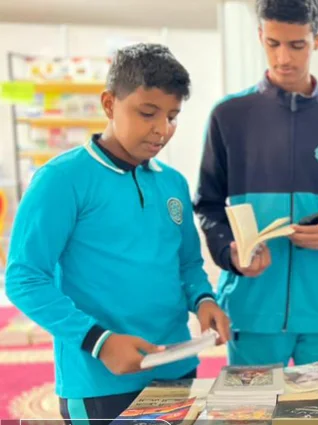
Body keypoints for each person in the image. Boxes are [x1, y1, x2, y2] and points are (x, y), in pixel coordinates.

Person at [4, 43, 230, 424]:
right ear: (109, 104)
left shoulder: (172, 183)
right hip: (99, 379)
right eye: (147, 113)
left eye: (173, 116)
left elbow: (188, 262)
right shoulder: (62, 180)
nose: (162, 129)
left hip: (175, 367)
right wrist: (99, 341)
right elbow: (24, 278)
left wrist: (204, 300)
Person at [194, 0, 318, 367]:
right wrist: (230, 253)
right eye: (273, 44)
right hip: (252, 308)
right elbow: (207, 205)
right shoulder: (229, 116)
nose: (283, 58)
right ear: (260, 36)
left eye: (296, 45)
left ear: (317, 40)